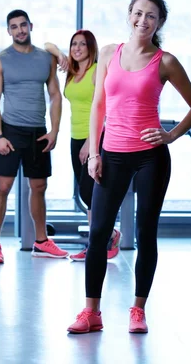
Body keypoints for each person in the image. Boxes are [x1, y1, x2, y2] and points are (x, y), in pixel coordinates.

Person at [67, 0, 191, 333]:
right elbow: (99, 104)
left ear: (159, 23)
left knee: (145, 232)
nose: (143, 21)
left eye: (151, 17)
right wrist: (95, 152)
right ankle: (91, 312)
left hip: (149, 158)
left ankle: (138, 309)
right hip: (111, 155)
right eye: (138, 13)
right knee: (98, 232)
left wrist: (170, 135)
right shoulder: (110, 53)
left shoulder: (165, 61)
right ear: (129, 15)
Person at [0, 9, 69, 264]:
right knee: (3, 187)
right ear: (8, 31)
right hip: (10, 130)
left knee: (39, 187)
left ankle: (41, 241)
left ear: (31, 26)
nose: (20, 30)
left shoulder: (46, 58)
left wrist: (54, 130)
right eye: (14, 26)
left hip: (38, 131)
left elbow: (55, 95)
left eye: (23, 25)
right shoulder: (0, 60)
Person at [45, 31, 122, 262]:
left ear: (91, 47)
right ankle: (103, 238)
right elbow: (47, 44)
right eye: (73, 44)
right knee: (87, 195)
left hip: (95, 138)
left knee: (90, 193)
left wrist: (92, 142)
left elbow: (106, 107)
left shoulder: (97, 70)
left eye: (82, 44)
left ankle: (99, 242)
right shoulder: (71, 71)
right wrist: (60, 54)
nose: (77, 48)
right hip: (75, 138)